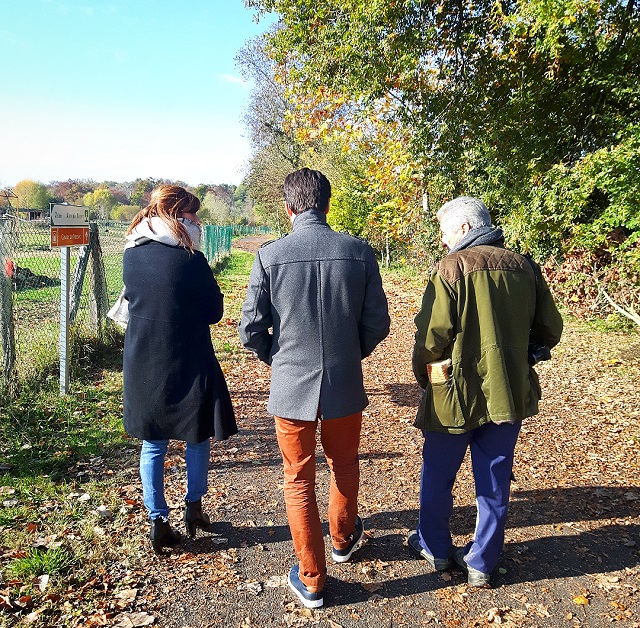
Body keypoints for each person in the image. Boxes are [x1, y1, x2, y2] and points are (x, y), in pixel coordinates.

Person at [238, 168, 390, 608]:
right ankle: (342, 541)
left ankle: (312, 580)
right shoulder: (359, 253)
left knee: (298, 478)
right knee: (344, 464)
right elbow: (378, 323)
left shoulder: (270, 256)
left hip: (291, 387)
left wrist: (278, 359)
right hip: (343, 381)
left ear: (289, 208)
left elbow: (250, 328)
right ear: (327, 203)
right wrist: (347, 355)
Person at [409, 196, 563, 586]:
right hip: (508, 391)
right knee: (494, 477)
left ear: (464, 228)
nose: (442, 240)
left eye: (444, 232)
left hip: (453, 394)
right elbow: (550, 329)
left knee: (438, 474)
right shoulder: (524, 267)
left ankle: (436, 548)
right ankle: (481, 561)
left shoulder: (451, 268)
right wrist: (525, 352)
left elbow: (431, 338)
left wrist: (425, 378)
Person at [122, 184, 237, 554]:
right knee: (196, 434)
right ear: (178, 217)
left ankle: (158, 522)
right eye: (194, 216)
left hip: (143, 359)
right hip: (188, 357)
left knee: (153, 442)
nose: (199, 222)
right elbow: (215, 311)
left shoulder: (131, 254)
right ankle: (194, 509)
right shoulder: (191, 261)